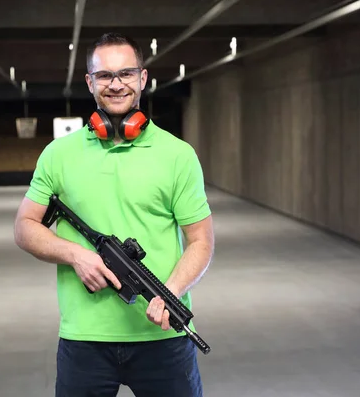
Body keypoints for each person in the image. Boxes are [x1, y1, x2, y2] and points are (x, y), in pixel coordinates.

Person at [14, 32, 214, 397]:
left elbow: (201, 241)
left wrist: (169, 292)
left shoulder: (177, 155)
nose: (116, 84)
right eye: (105, 76)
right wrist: (76, 255)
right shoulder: (59, 155)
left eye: (126, 73)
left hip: (163, 335)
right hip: (84, 339)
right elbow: (25, 227)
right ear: (90, 82)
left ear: (143, 78)